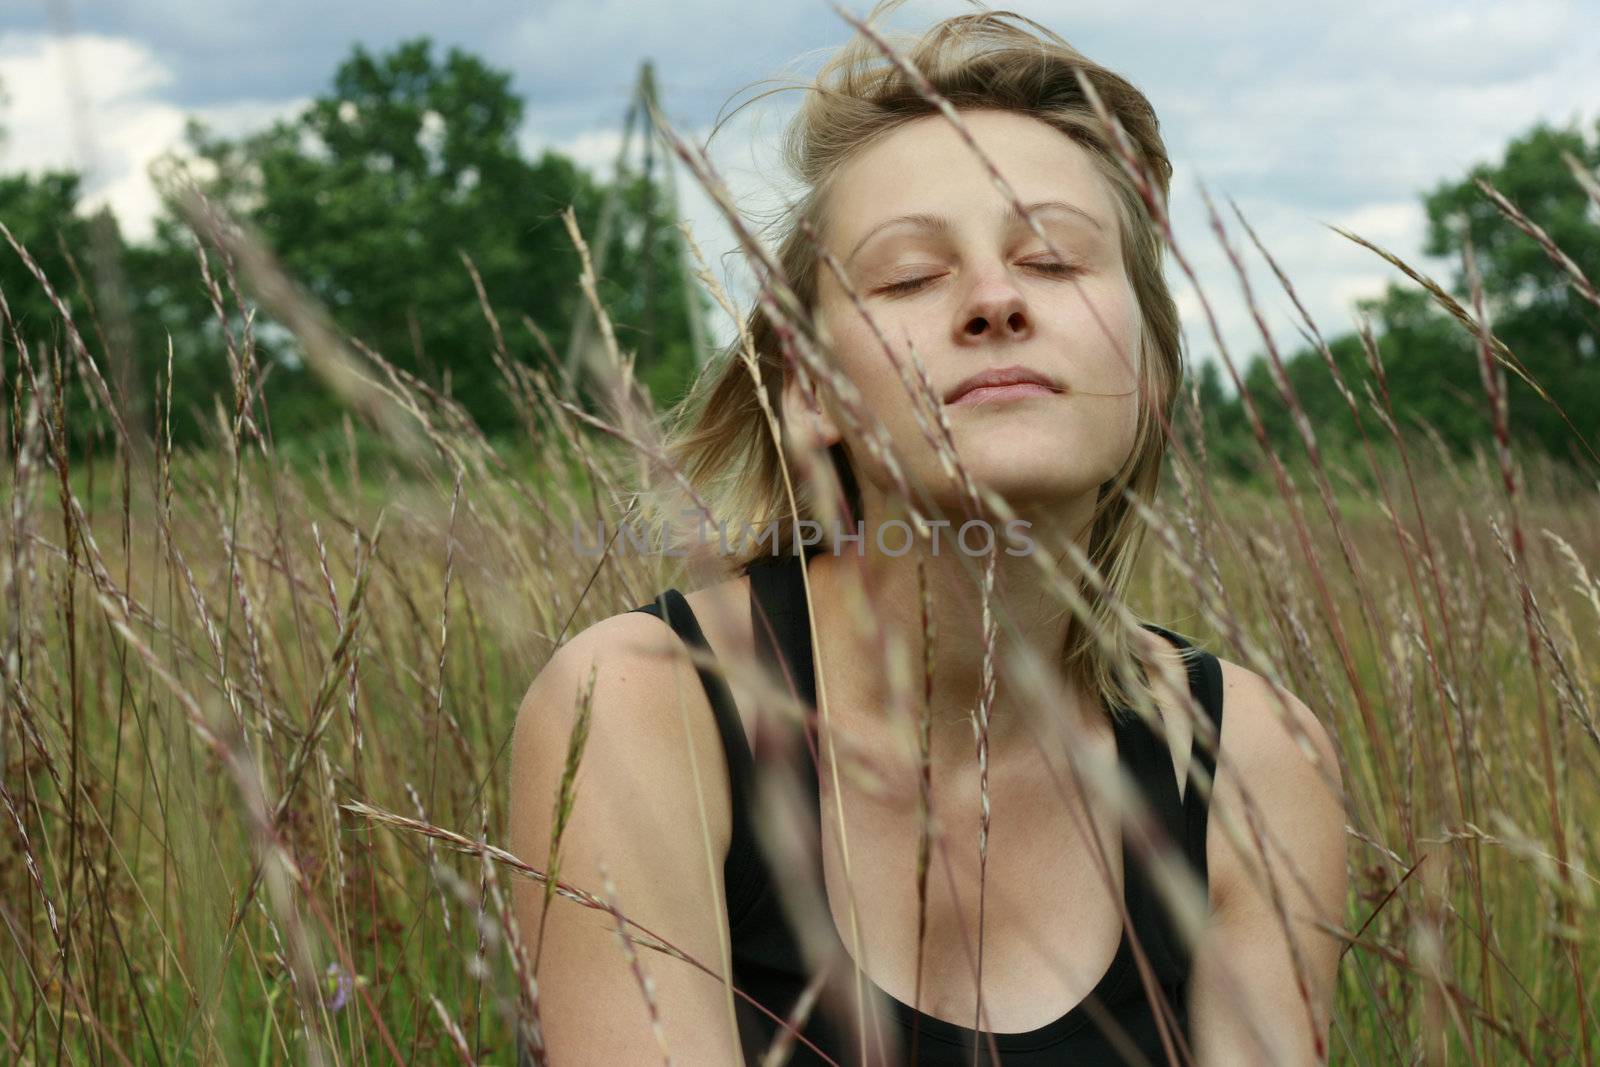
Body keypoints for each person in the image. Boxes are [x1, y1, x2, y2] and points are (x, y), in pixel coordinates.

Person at [508, 5, 1347, 1064]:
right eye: (909, 276)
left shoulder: (1251, 757)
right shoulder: (646, 706)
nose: (994, 299)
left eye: (1053, 259)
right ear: (808, 388)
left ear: (1152, 370)